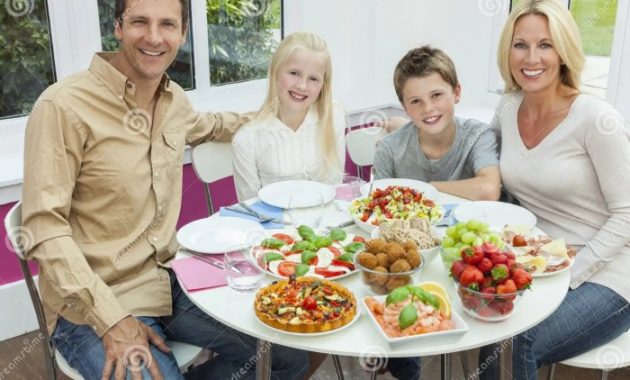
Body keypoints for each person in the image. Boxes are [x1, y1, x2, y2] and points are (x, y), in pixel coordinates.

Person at [20, 0, 308, 379]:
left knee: (288, 355)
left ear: (183, 33)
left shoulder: (173, 101)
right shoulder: (62, 106)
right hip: (90, 303)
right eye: (140, 21)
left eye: (168, 25)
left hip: (165, 280)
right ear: (118, 26)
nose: (154, 37)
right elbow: (43, 228)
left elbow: (213, 125)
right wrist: (111, 319)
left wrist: (285, 112)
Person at [479, 1, 630, 379]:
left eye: (545, 45)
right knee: (488, 314)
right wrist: (420, 128)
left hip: (610, 272)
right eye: (521, 45)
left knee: (518, 339)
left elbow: (627, 213)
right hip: (542, 262)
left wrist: (571, 273)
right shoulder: (509, 105)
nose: (532, 58)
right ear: (507, 51)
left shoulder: (596, 119)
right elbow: (478, 150)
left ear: (564, 51)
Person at [372, 45, 501, 201]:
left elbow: (489, 189)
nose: (428, 108)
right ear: (404, 107)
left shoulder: (478, 136)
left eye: (436, 95)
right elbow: (379, 205)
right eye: (415, 101)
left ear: (456, 93)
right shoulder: (389, 149)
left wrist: (428, 188)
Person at [232, 31, 346, 201]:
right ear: (275, 71)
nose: (302, 86)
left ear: (324, 84)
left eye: (313, 79)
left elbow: (334, 188)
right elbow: (253, 210)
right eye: (294, 73)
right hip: (276, 227)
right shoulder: (247, 140)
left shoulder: (333, 115)